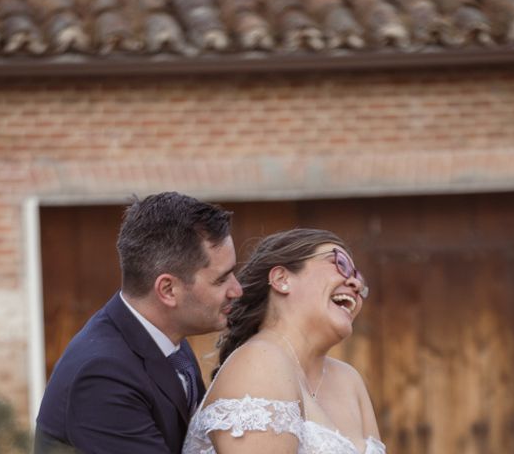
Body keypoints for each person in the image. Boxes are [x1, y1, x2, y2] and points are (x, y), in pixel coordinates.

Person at [34, 192, 242, 453]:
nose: (237, 289)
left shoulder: (168, 340)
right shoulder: (103, 377)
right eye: (221, 280)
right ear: (168, 290)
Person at [182, 228, 386, 454]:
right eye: (340, 264)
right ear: (281, 279)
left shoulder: (349, 380)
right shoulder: (259, 362)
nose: (356, 285)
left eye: (358, 279)